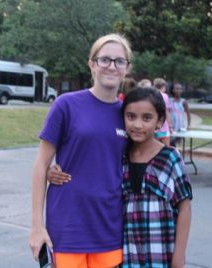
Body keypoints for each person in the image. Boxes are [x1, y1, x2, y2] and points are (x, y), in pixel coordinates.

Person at [29, 33, 132, 268]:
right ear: (92, 64)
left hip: (109, 227)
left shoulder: (128, 114)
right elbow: (41, 164)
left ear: (127, 67)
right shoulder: (66, 105)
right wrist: (37, 226)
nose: (112, 66)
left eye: (119, 61)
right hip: (68, 226)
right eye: (105, 59)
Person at [121, 87, 192, 267]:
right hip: (125, 252)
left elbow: (184, 208)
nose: (137, 125)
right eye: (131, 116)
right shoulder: (118, 157)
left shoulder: (170, 157)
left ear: (159, 122)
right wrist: (53, 172)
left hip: (161, 252)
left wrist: (179, 257)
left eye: (147, 118)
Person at [153, 77, 173, 146]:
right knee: (166, 149)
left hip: (154, 126)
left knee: (155, 149)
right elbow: (166, 112)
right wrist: (170, 126)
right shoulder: (165, 96)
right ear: (163, 86)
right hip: (164, 126)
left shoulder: (151, 95)